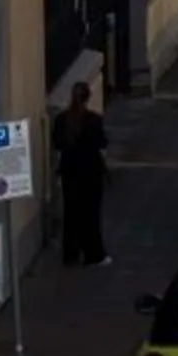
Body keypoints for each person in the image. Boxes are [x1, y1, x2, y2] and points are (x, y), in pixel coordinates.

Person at [54, 80, 108, 267]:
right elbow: (102, 143)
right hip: (91, 172)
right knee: (91, 214)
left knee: (71, 213)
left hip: (70, 172)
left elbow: (57, 144)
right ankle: (93, 253)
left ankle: (70, 253)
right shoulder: (93, 120)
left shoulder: (62, 120)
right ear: (88, 98)